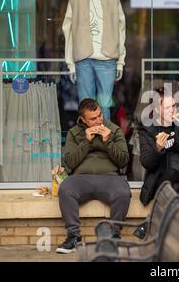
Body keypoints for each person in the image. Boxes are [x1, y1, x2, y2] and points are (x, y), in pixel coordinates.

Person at [56, 98, 130, 254]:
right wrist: (86, 141)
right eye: (93, 119)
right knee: (65, 189)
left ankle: (113, 236)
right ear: (83, 119)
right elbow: (70, 162)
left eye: (100, 116)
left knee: (123, 192)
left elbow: (123, 161)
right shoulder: (74, 133)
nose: (98, 121)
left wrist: (108, 141)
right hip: (81, 178)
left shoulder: (114, 130)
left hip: (110, 178)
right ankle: (74, 236)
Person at [62, 0, 126, 121]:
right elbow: (68, 33)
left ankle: (104, 142)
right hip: (83, 58)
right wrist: (70, 64)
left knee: (104, 105)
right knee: (85, 106)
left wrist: (120, 61)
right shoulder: (75, 0)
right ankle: (88, 142)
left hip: (107, 58)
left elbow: (121, 31)